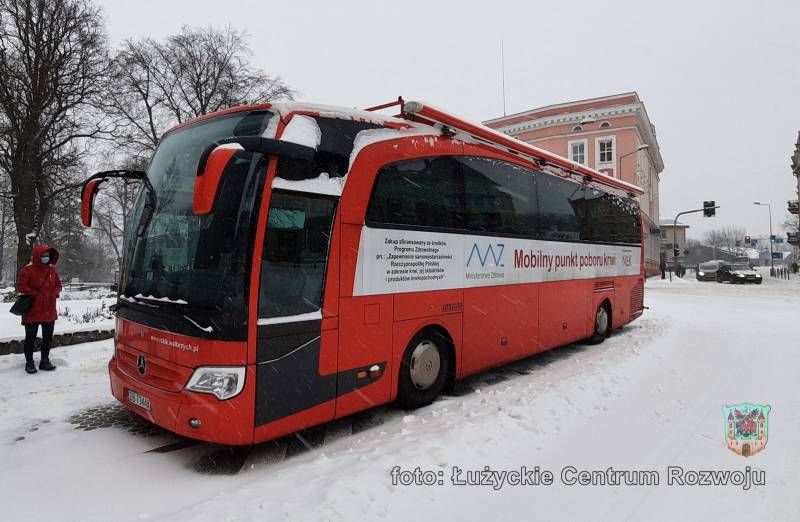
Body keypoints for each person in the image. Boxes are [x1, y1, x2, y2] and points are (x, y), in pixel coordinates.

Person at [17, 245, 61, 374]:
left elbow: (58, 285)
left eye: (47, 256)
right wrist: (36, 294)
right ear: (37, 256)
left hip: (49, 310)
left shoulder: (52, 271)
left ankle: (44, 361)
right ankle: (29, 363)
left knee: (47, 338)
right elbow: (21, 286)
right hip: (32, 310)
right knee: (30, 338)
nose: (45, 258)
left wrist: (55, 293)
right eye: (43, 255)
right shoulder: (27, 270)